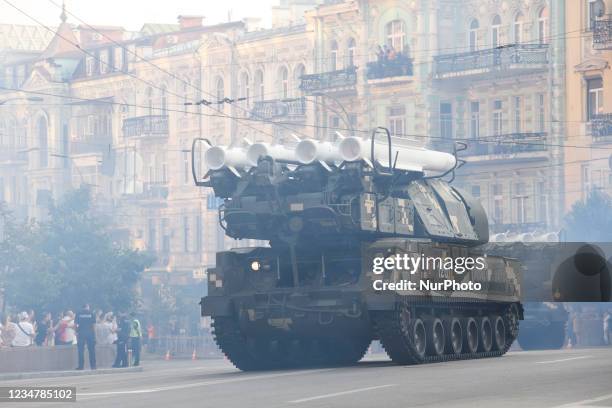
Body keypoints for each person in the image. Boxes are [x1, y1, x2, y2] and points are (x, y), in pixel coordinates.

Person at [75, 304, 96, 370]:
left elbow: (75, 324)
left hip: (81, 333)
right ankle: (93, 366)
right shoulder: (92, 313)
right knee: (92, 350)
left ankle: (81, 366)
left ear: (82, 307)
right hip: (90, 333)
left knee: (81, 350)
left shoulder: (78, 313)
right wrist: (94, 335)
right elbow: (94, 325)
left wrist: (76, 332)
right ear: (88, 307)